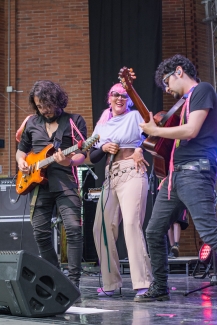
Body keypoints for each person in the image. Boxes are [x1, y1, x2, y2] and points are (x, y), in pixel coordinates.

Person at [135, 54, 217, 302]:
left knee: (211, 233)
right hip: (175, 177)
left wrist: (156, 130)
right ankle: (160, 287)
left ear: (179, 71)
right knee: (153, 231)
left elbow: (191, 131)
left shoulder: (203, 89)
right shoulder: (185, 102)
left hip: (195, 173)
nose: (168, 89)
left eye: (167, 82)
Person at [16, 80, 87, 290]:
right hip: (38, 185)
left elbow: (83, 153)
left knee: (73, 229)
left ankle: (73, 282)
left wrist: (70, 161)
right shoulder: (32, 123)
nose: (43, 110)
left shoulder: (74, 121)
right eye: (39, 106)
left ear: (57, 100)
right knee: (39, 232)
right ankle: (56, 277)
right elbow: (22, 150)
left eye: (46, 105)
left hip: (65, 182)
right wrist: (21, 161)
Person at [89, 82, 153, 301]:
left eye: (124, 96)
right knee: (101, 228)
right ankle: (110, 282)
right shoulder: (103, 125)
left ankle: (143, 283)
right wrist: (103, 147)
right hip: (110, 176)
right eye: (115, 95)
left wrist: (138, 149)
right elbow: (92, 155)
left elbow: (153, 134)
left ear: (129, 100)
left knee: (131, 225)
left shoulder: (135, 116)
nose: (119, 98)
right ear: (109, 98)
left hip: (131, 171)